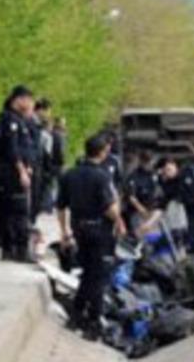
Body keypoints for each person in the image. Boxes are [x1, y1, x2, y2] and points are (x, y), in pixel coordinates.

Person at [56, 134, 127, 340]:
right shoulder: (102, 176)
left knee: (88, 272)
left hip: (78, 228)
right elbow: (109, 208)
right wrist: (119, 221)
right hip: (99, 230)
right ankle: (94, 321)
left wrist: (64, 232)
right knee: (98, 276)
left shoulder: (69, 175)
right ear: (103, 152)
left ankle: (77, 314)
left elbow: (61, 207)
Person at [0, 85, 35, 263]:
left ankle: (11, 249)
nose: (30, 104)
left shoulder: (20, 120)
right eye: (28, 100)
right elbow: (12, 148)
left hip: (16, 169)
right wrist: (22, 170)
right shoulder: (10, 120)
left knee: (13, 209)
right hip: (9, 171)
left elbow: (26, 148)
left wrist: (28, 165)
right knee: (18, 209)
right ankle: (18, 248)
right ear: (19, 100)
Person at [124, 150, 161, 233]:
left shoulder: (153, 174)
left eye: (151, 162)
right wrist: (142, 211)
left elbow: (157, 191)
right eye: (148, 162)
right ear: (142, 162)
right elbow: (131, 197)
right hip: (137, 212)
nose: (150, 164)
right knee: (142, 237)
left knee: (155, 238)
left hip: (152, 211)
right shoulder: (134, 176)